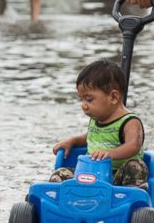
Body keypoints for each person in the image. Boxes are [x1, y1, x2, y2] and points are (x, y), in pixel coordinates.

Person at [49, 60, 148, 188]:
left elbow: (133, 145)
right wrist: (72, 141)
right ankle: (52, 198)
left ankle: (134, 200)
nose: (83, 105)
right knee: (60, 173)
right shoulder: (97, 119)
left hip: (118, 179)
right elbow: (91, 136)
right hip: (90, 174)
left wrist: (110, 153)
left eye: (89, 99)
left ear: (113, 97)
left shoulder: (130, 122)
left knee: (136, 166)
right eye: (81, 99)